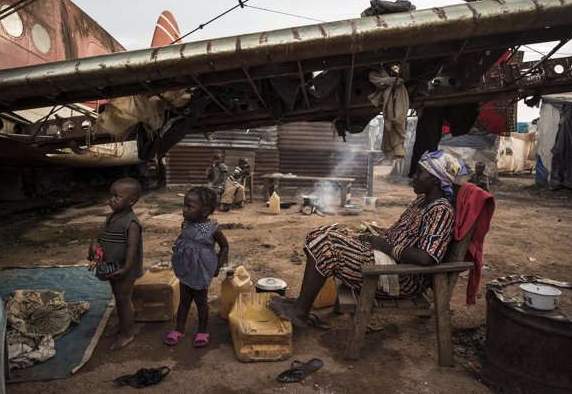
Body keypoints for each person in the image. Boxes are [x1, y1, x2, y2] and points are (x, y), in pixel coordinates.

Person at [268, 149, 465, 327]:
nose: (413, 176)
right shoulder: (422, 201)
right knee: (320, 232)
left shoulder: (441, 211)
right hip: (387, 259)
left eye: (420, 172)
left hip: (401, 277)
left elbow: (426, 258)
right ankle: (302, 302)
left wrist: (386, 246)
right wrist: (375, 240)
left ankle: (301, 311)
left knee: (326, 244)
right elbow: (401, 234)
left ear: (436, 181)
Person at [165, 186, 229, 348]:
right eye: (184, 205)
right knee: (184, 299)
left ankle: (202, 331)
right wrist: (178, 246)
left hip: (201, 269)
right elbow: (183, 236)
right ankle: (179, 328)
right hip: (186, 267)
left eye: (189, 206)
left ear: (205, 211)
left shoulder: (213, 229)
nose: (184, 210)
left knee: (201, 301)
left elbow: (224, 246)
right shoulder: (186, 224)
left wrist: (218, 265)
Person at [89, 177, 143, 350]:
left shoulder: (132, 223)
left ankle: (128, 333)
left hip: (125, 267)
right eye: (111, 195)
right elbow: (102, 235)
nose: (111, 200)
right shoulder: (111, 216)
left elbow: (132, 246)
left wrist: (126, 268)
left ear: (132, 200)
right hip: (111, 264)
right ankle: (122, 323)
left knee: (123, 298)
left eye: (117, 196)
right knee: (117, 296)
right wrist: (94, 243)